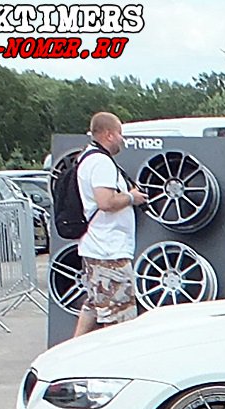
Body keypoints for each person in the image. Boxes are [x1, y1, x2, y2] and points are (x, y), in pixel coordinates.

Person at [73, 111, 146, 337]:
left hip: (95, 247)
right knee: (118, 314)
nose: (122, 140)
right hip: (109, 251)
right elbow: (105, 202)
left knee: (95, 305)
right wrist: (132, 197)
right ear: (109, 134)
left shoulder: (86, 158)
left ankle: (70, 353)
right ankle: (115, 364)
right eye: (120, 134)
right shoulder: (101, 163)